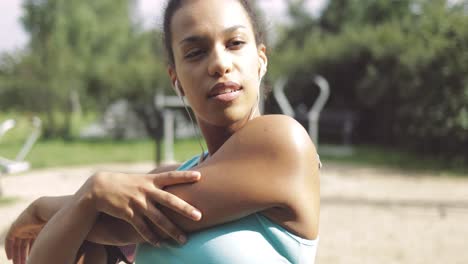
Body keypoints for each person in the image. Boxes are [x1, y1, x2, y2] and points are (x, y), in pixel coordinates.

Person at [4, 0, 320, 263]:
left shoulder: (282, 143)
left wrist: (47, 207)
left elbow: (114, 223)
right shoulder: (165, 178)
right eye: (195, 52)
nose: (219, 64)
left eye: (235, 43)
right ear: (176, 80)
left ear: (261, 60)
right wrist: (88, 197)